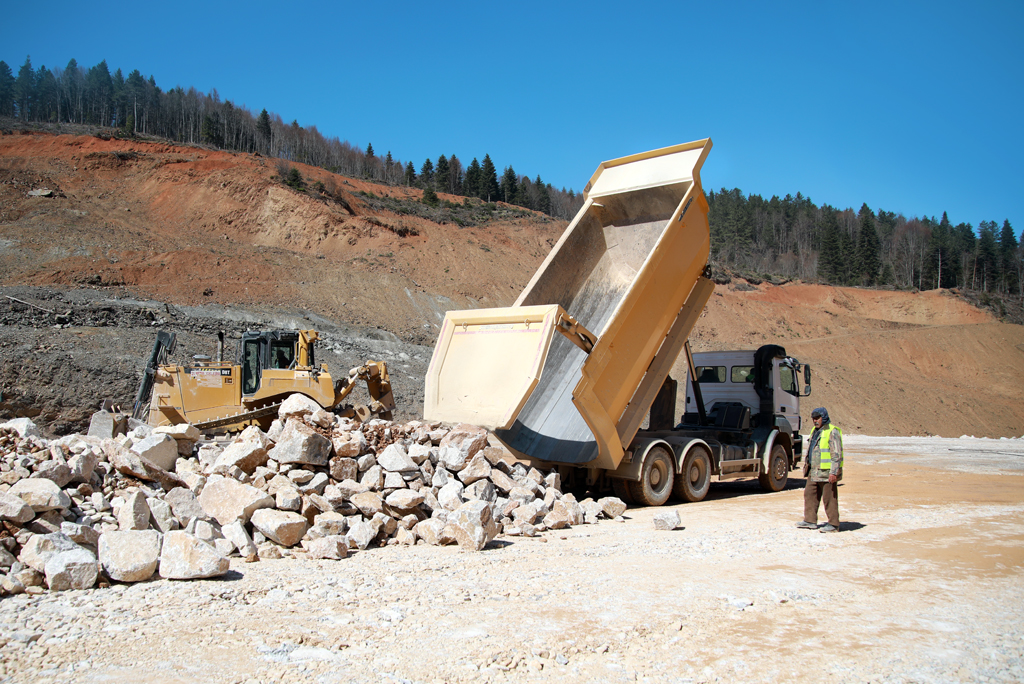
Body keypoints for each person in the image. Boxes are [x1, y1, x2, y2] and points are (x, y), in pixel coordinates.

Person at [797, 407, 843, 533]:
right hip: (814, 471)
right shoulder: (815, 431)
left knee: (830, 499)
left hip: (827, 473)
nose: (815, 421)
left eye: (817, 418)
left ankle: (833, 524)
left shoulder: (832, 432)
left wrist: (834, 472)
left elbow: (836, 455)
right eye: (813, 418)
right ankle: (810, 520)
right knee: (809, 495)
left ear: (824, 417)